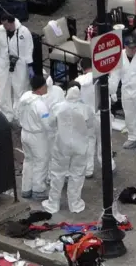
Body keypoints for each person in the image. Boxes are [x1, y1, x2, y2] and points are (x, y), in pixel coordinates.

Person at [42, 85, 94, 214]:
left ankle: (53, 203)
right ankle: (75, 204)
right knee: (77, 175)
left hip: (61, 145)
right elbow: (91, 124)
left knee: (57, 174)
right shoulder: (85, 109)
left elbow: (50, 123)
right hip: (80, 146)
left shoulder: (58, 107)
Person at [0, 14, 34, 124]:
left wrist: (30, 65)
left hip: (20, 62)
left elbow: (29, 48)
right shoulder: (0, 31)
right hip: (4, 62)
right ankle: (6, 114)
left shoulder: (24, 32)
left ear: (11, 22)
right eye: (2, 24)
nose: (4, 26)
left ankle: (19, 115)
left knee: (20, 89)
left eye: (6, 24)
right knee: (2, 88)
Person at [109, 36, 136, 153]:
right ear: (125, 47)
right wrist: (112, 91)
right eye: (130, 48)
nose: (133, 50)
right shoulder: (119, 57)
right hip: (126, 91)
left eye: (134, 48)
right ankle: (132, 137)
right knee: (129, 115)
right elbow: (115, 75)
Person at [17, 75, 51, 200]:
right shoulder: (40, 105)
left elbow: (17, 113)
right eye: (45, 86)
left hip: (24, 133)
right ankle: (38, 190)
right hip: (37, 136)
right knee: (41, 162)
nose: (46, 87)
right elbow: (47, 124)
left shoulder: (24, 97)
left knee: (28, 160)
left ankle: (26, 189)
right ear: (40, 88)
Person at [74, 58, 104, 178]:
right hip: (101, 114)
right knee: (104, 141)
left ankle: (89, 170)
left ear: (82, 68)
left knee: (89, 142)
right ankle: (108, 165)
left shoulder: (78, 81)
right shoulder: (101, 77)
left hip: (87, 117)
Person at [41, 72, 65, 182]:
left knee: (49, 154)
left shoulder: (42, 96)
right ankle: (63, 175)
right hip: (60, 126)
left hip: (49, 127)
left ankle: (52, 177)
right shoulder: (58, 90)